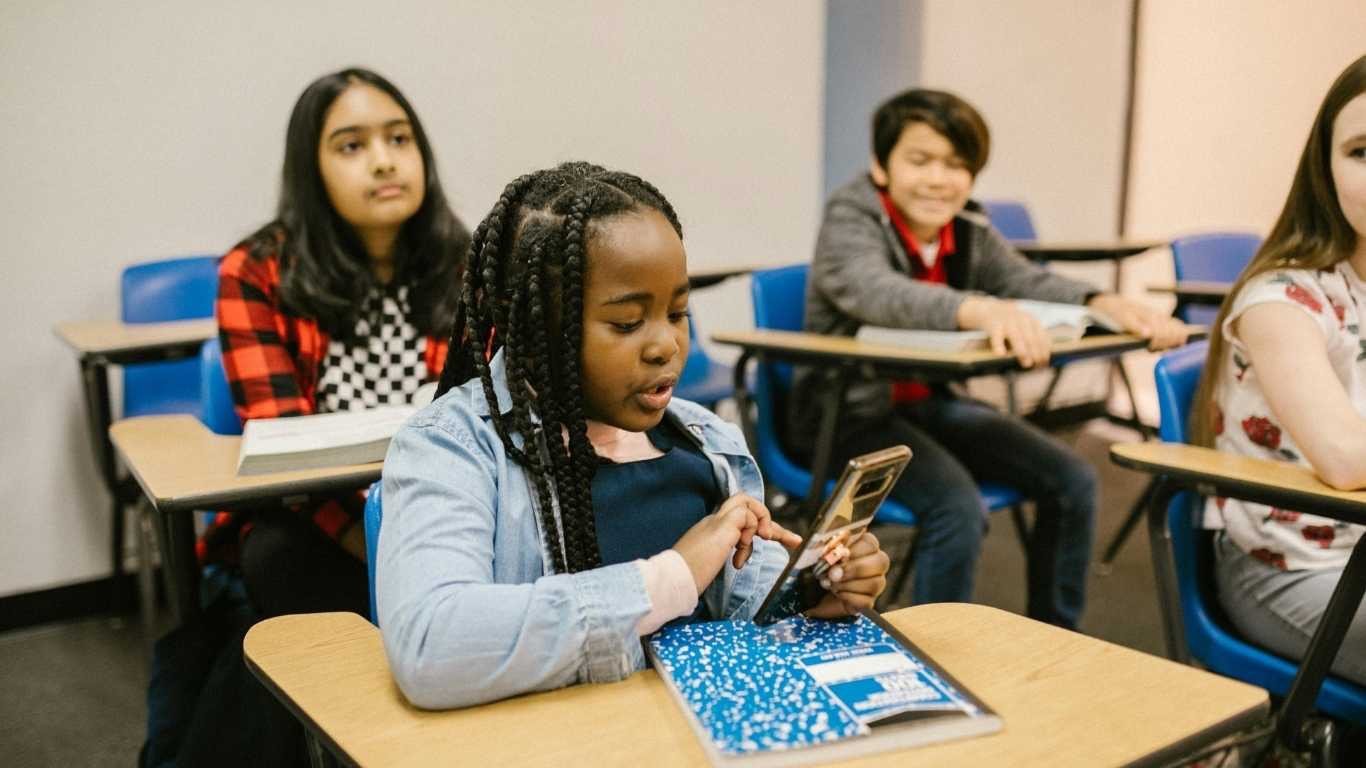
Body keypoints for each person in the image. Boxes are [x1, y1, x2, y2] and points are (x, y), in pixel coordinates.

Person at [377, 162, 891, 709]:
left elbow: (742, 602)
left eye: (677, 312)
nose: (665, 345)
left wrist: (813, 590)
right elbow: (431, 647)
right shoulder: (453, 447)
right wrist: (671, 577)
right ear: (536, 330)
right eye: (626, 324)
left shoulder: (707, 442)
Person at [142, 67, 469, 767]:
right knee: (277, 558)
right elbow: (289, 459)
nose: (384, 159)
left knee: (280, 617)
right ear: (310, 167)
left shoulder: (466, 261)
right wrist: (383, 548)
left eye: (400, 138)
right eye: (351, 146)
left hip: (444, 516)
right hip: (324, 523)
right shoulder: (257, 272)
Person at [791, 88, 1189, 629]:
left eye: (956, 165)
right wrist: (979, 310)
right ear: (881, 166)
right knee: (956, 508)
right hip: (845, 416)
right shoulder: (850, 215)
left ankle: (1057, 636)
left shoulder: (968, 227)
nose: (939, 178)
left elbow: (1022, 279)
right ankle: (929, 656)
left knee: (1073, 478)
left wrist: (1102, 301)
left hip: (930, 404)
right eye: (920, 160)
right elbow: (873, 289)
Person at [1191, 55, 1366, 686]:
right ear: (1325, 168)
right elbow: (1346, 459)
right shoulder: (1282, 299)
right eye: (1362, 151)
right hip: (1294, 566)